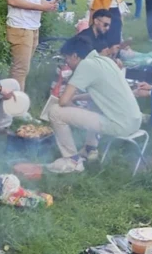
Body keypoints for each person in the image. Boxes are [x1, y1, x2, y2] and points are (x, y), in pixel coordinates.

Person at [45, 37, 142, 174]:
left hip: (119, 124)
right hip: (134, 121)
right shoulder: (106, 60)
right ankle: (90, 149)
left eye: (66, 58)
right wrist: (77, 99)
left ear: (75, 55)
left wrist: (74, 107)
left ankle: (72, 161)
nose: (66, 62)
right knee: (92, 104)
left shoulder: (85, 65)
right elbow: (101, 94)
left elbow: (63, 101)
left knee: (55, 111)